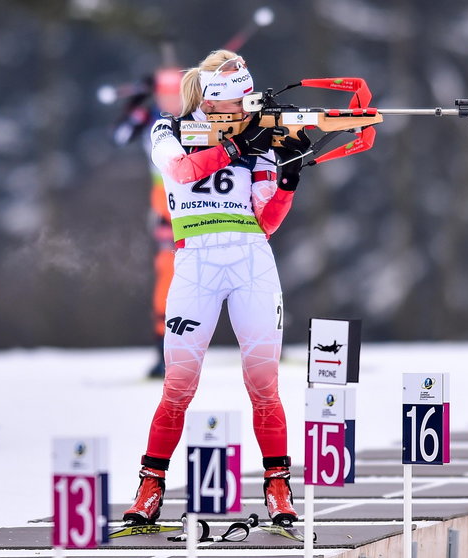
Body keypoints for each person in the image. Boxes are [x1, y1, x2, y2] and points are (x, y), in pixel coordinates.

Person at [122, 49, 311, 527]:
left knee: (264, 385)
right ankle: (150, 484)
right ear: (213, 100)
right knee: (178, 386)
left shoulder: (257, 134)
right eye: (237, 102)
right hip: (195, 265)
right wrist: (235, 147)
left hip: (250, 260)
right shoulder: (168, 129)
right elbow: (182, 173)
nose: (245, 108)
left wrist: (287, 176)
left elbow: (266, 221)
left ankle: (278, 485)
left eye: (249, 100)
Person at [111, 67, 184, 378]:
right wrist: (135, 104)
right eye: (164, 93)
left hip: (202, 204)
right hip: (165, 206)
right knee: (167, 273)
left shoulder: (197, 114)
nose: (170, 100)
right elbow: (120, 135)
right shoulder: (150, 117)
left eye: (176, 93)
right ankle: (164, 351)